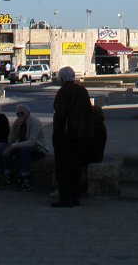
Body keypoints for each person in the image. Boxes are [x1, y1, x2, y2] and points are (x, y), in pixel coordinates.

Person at [52, 66, 94, 208]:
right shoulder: (82, 91)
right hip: (80, 134)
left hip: (66, 135)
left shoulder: (63, 91)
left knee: (64, 167)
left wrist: (57, 131)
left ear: (62, 78)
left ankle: (65, 198)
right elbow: (88, 112)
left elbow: (60, 114)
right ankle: (76, 197)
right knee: (76, 167)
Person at [1, 104, 48, 190]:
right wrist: (14, 128)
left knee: (24, 150)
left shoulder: (35, 122)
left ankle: (26, 178)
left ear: (28, 113)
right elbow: (10, 141)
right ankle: (9, 175)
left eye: (22, 113)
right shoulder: (19, 123)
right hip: (23, 146)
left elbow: (32, 142)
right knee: (4, 148)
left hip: (38, 148)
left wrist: (13, 146)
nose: (20, 115)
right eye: (18, 114)